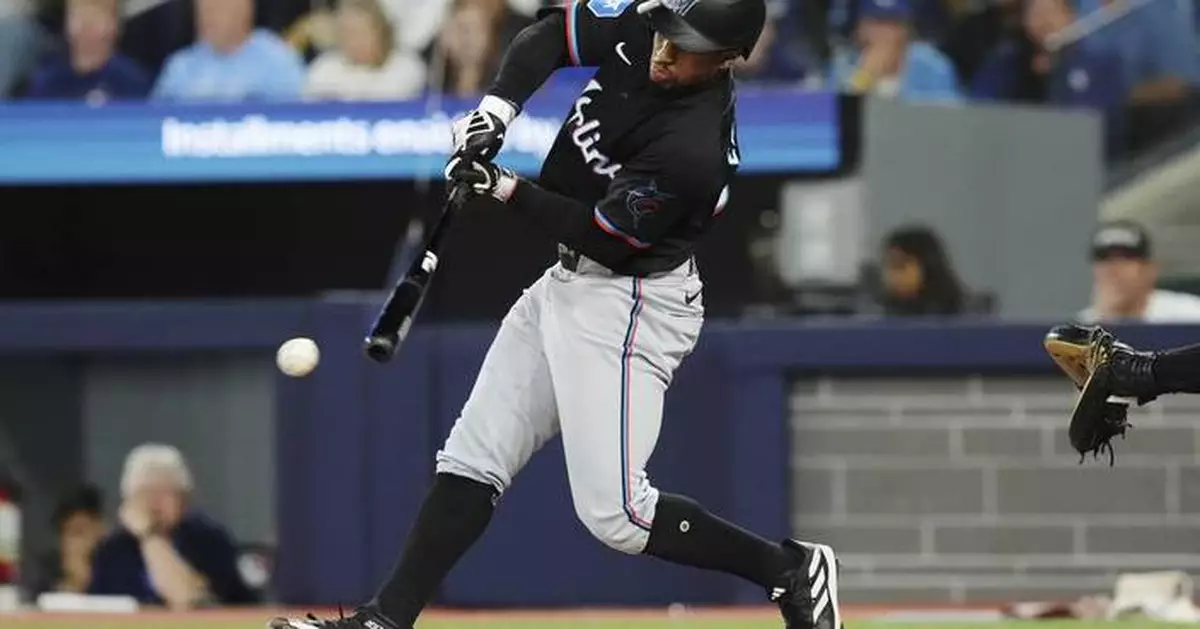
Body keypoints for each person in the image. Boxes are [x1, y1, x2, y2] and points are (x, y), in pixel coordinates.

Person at [269, 1, 842, 628]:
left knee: (618, 516)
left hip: (631, 302)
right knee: (473, 456)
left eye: (689, 47)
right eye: (669, 34)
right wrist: (494, 112)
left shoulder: (693, 148)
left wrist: (504, 186)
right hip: (570, 282)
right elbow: (545, 37)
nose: (666, 52)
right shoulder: (649, 21)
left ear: (732, 57)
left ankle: (786, 570)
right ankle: (385, 620)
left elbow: (606, 235)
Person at [89, 444, 256, 609]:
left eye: (164, 492)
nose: (153, 502)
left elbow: (189, 602)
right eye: (144, 492)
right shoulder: (111, 549)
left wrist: (149, 536)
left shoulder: (211, 541)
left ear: (184, 500)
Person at [150, 0, 306, 102]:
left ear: (245, 10)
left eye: (216, 10)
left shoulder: (277, 60)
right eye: (202, 10)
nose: (207, 18)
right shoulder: (181, 65)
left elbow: (290, 120)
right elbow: (152, 122)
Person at [829, 0, 960, 102]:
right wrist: (865, 76)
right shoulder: (843, 67)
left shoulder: (934, 67)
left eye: (893, 23)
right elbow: (835, 120)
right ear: (860, 30)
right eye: (876, 22)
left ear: (906, 30)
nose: (884, 32)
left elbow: (949, 121)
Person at [25, 0, 151, 103]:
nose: (85, 27)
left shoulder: (129, 80)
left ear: (114, 26)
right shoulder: (50, 80)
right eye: (79, 17)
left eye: (95, 19)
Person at [1076, 220, 1200, 324]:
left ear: (1150, 269)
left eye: (1125, 258)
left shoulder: (1188, 315)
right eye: (1104, 259)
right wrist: (1106, 318)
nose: (1113, 269)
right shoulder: (1083, 325)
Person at [304, 0, 426, 101]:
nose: (355, 43)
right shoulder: (323, 69)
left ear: (382, 32)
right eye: (348, 35)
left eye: (361, 33)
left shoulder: (406, 67)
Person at [25, 484, 108, 598]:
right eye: (76, 533)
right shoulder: (44, 582)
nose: (84, 542)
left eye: (81, 531)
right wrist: (74, 585)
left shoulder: (120, 571)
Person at [877, 225, 966, 316]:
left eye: (900, 266)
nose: (892, 275)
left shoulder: (962, 315)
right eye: (888, 266)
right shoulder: (878, 313)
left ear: (928, 265)